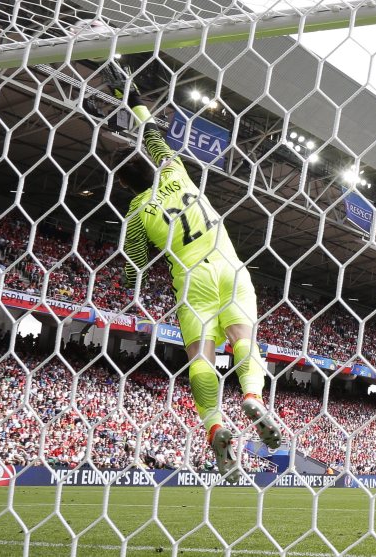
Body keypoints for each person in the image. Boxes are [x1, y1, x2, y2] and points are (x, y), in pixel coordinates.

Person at [105, 63, 280, 481]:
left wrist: (143, 261)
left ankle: (215, 427)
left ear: (127, 185)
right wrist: (128, 99)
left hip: (191, 282)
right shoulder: (174, 170)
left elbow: (133, 272)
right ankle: (253, 396)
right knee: (244, 340)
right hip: (228, 265)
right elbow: (153, 137)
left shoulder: (136, 211)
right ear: (151, 168)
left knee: (200, 358)